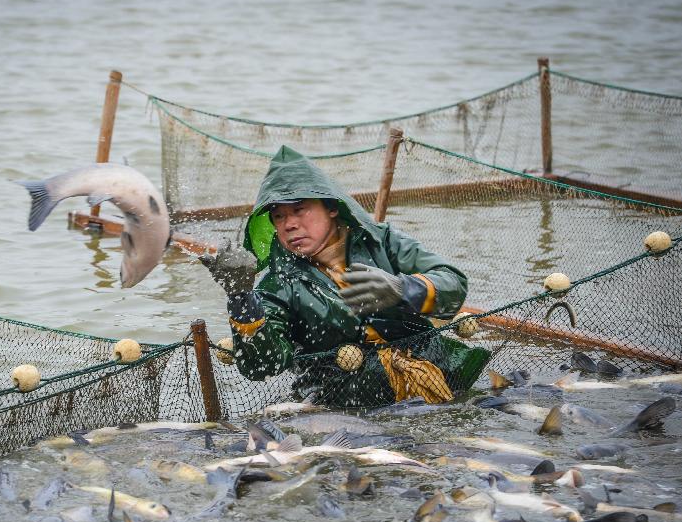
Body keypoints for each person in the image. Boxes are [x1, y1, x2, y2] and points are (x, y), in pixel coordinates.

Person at [200, 145, 488, 408]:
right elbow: (262, 366)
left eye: (299, 210)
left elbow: (453, 282)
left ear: (332, 207)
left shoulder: (382, 241)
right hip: (349, 407)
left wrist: (403, 288)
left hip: (438, 379)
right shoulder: (277, 285)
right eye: (279, 216)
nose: (289, 224)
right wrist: (241, 298)